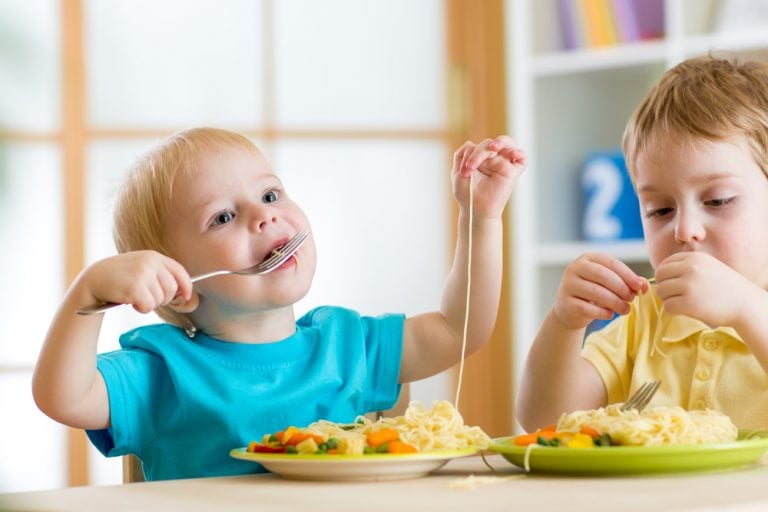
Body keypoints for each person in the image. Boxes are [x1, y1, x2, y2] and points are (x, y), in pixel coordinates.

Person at [32, 128, 526, 480]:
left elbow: (460, 331)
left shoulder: (350, 344)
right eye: (223, 217)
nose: (263, 216)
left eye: (271, 194)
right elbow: (63, 397)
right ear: (178, 280)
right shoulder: (166, 371)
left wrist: (479, 219)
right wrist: (88, 295)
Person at [516, 54, 768, 433]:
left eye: (718, 201)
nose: (685, 229)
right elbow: (544, 419)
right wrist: (564, 324)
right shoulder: (645, 317)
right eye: (660, 209)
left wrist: (746, 308)